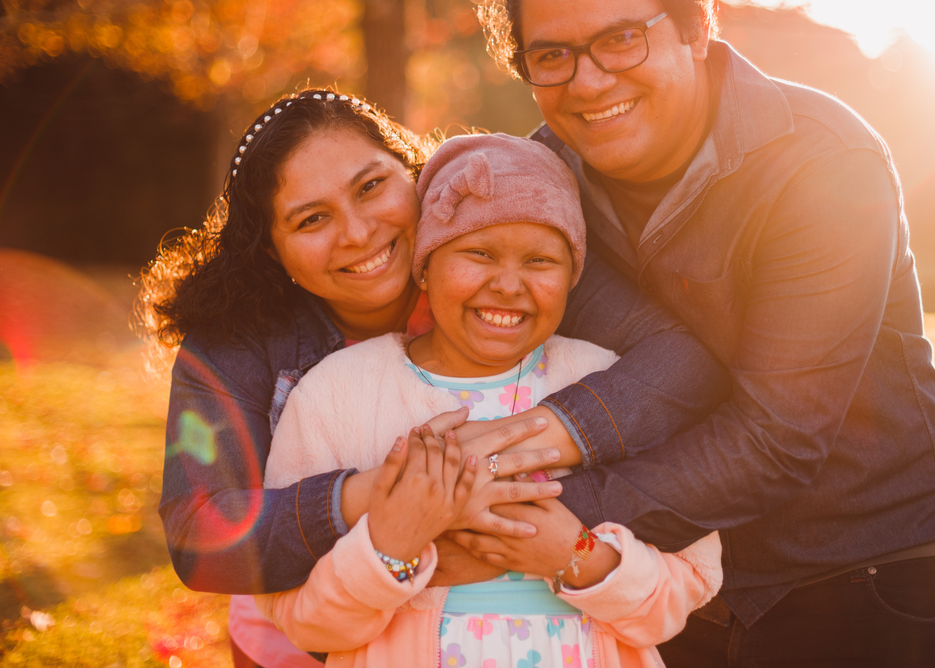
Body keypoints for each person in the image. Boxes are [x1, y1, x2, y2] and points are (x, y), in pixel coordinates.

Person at [459, 0, 935, 667]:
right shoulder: (543, 182)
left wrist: (522, 519)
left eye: (620, 39)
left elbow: (780, 435)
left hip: (852, 570)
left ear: (696, 28)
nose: (588, 81)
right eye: (552, 55)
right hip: (668, 572)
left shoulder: (824, 163)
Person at [138, 90, 731, 666]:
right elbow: (201, 534)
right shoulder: (240, 339)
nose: (358, 231)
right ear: (272, 250)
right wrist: (403, 494)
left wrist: (519, 469)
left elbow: (681, 364)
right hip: (301, 634)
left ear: (413, 173)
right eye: (312, 219)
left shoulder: (510, 261)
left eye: (371, 187)